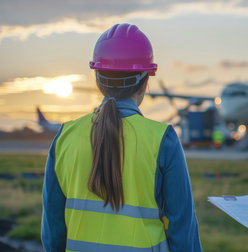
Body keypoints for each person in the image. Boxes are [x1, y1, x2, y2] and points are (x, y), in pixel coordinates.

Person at [41, 23, 202, 252]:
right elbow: (183, 232)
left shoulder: (65, 138)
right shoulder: (163, 140)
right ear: (146, 80)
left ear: (97, 79)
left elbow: (53, 232)